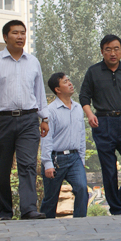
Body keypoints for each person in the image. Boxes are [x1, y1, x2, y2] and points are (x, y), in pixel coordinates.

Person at [0, 20, 49, 220]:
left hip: (28, 119)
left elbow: (39, 92)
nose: (20, 37)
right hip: (2, 120)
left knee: (28, 165)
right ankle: (4, 213)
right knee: (2, 168)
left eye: (23, 33)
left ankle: (29, 209)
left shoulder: (33, 62)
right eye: (15, 33)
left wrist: (44, 118)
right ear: (5, 37)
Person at [79, 35, 121, 216]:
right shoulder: (93, 72)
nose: (113, 53)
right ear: (102, 51)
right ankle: (117, 209)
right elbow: (84, 96)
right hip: (103, 123)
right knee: (109, 170)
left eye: (116, 49)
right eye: (108, 49)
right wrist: (90, 114)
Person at [40, 73, 88, 219]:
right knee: (50, 198)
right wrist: (47, 163)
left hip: (74, 158)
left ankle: (79, 223)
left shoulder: (78, 108)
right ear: (57, 89)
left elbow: (81, 135)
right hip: (55, 158)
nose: (70, 84)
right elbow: (46, 138)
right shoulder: (50, 111)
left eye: (69, 81)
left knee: (82, 189)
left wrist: (82, 159)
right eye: (65, 82)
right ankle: (45, 226)